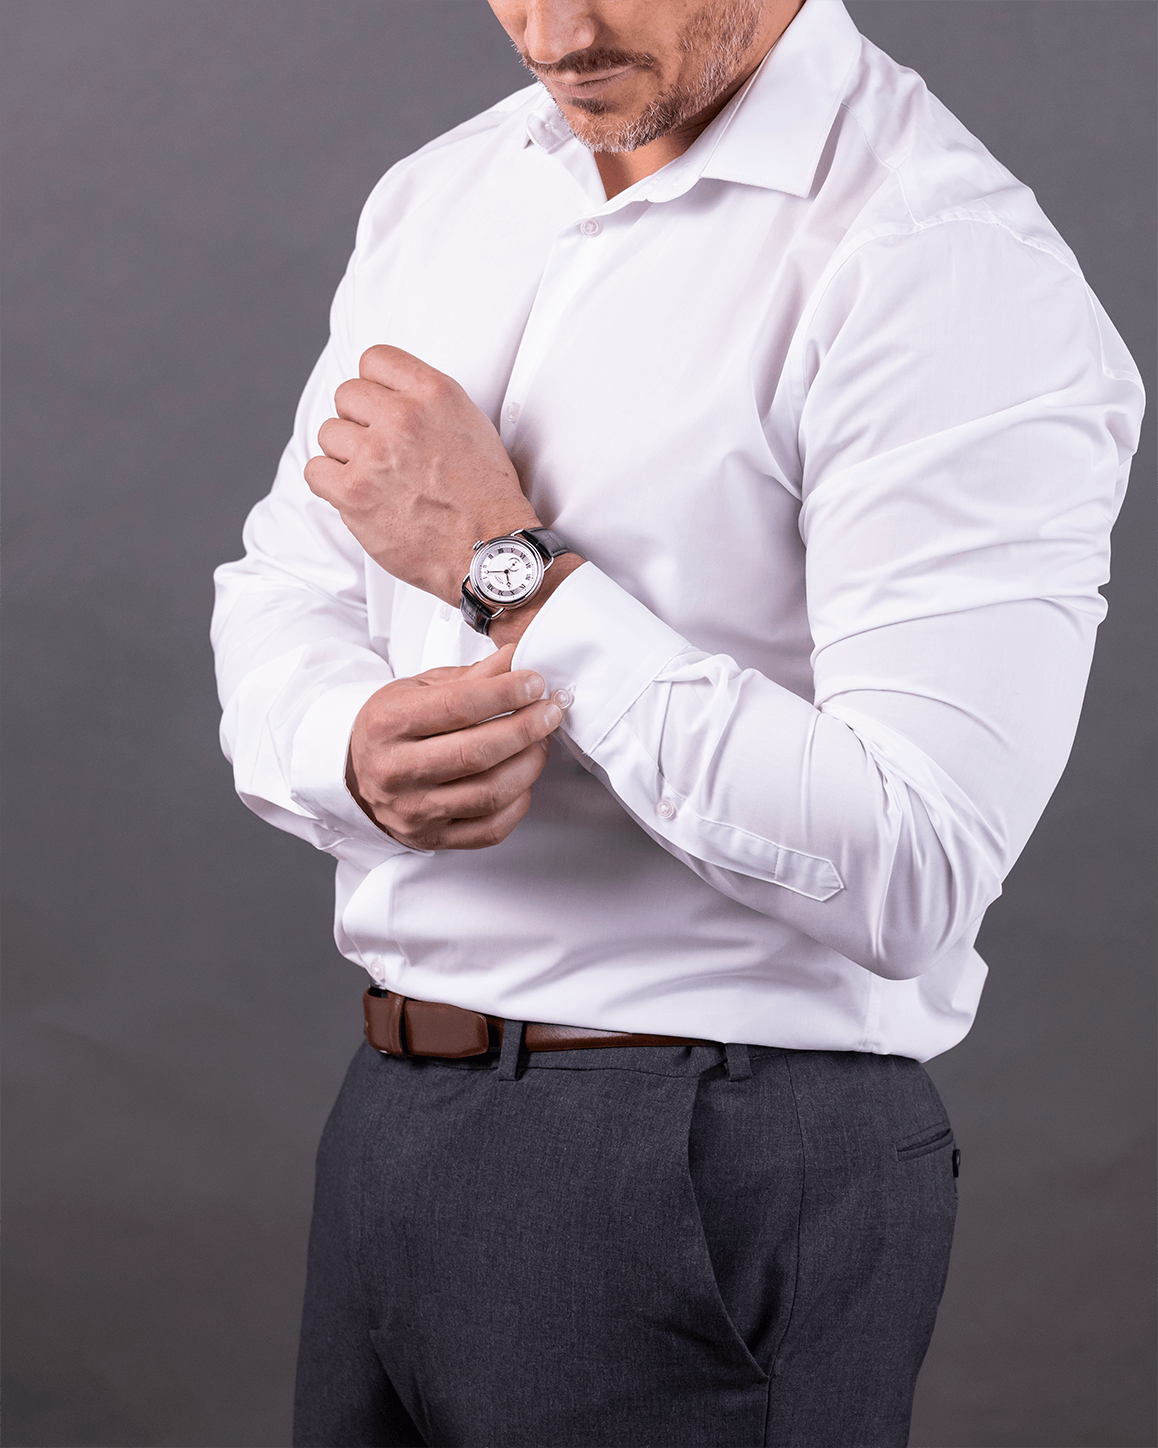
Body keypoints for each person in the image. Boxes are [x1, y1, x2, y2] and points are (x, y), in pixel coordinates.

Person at [210, 0, 1144, 1443]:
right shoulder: (448, 189)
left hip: (700, 1156)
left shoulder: (941, 265)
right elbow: (288, 576)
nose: (553, 29)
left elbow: (916, 869)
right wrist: (343, 748)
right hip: (394, 1122)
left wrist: (506, 574)